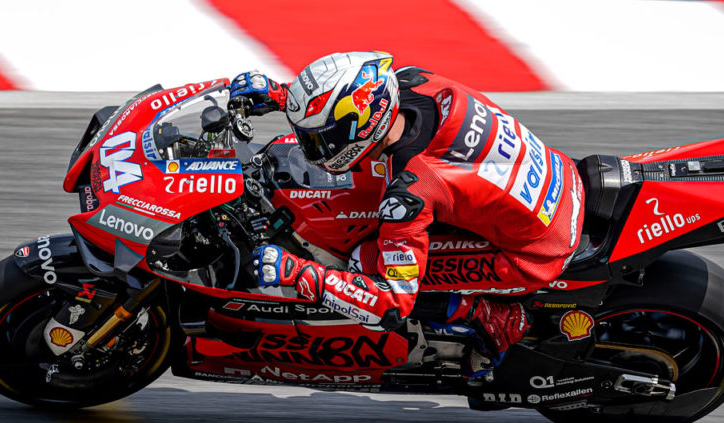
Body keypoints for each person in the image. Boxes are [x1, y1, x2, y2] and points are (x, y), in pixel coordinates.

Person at [229, 51, 584, 375]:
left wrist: (300, 272)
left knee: (364, 261)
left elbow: (391, 304)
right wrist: (282, 95)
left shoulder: (410, 192)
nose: (311, 149)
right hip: (558, 179)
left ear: (359, 129)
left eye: (319, 139)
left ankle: (495, 318)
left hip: (533, 253)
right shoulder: (414, 81)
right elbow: (355, 93)